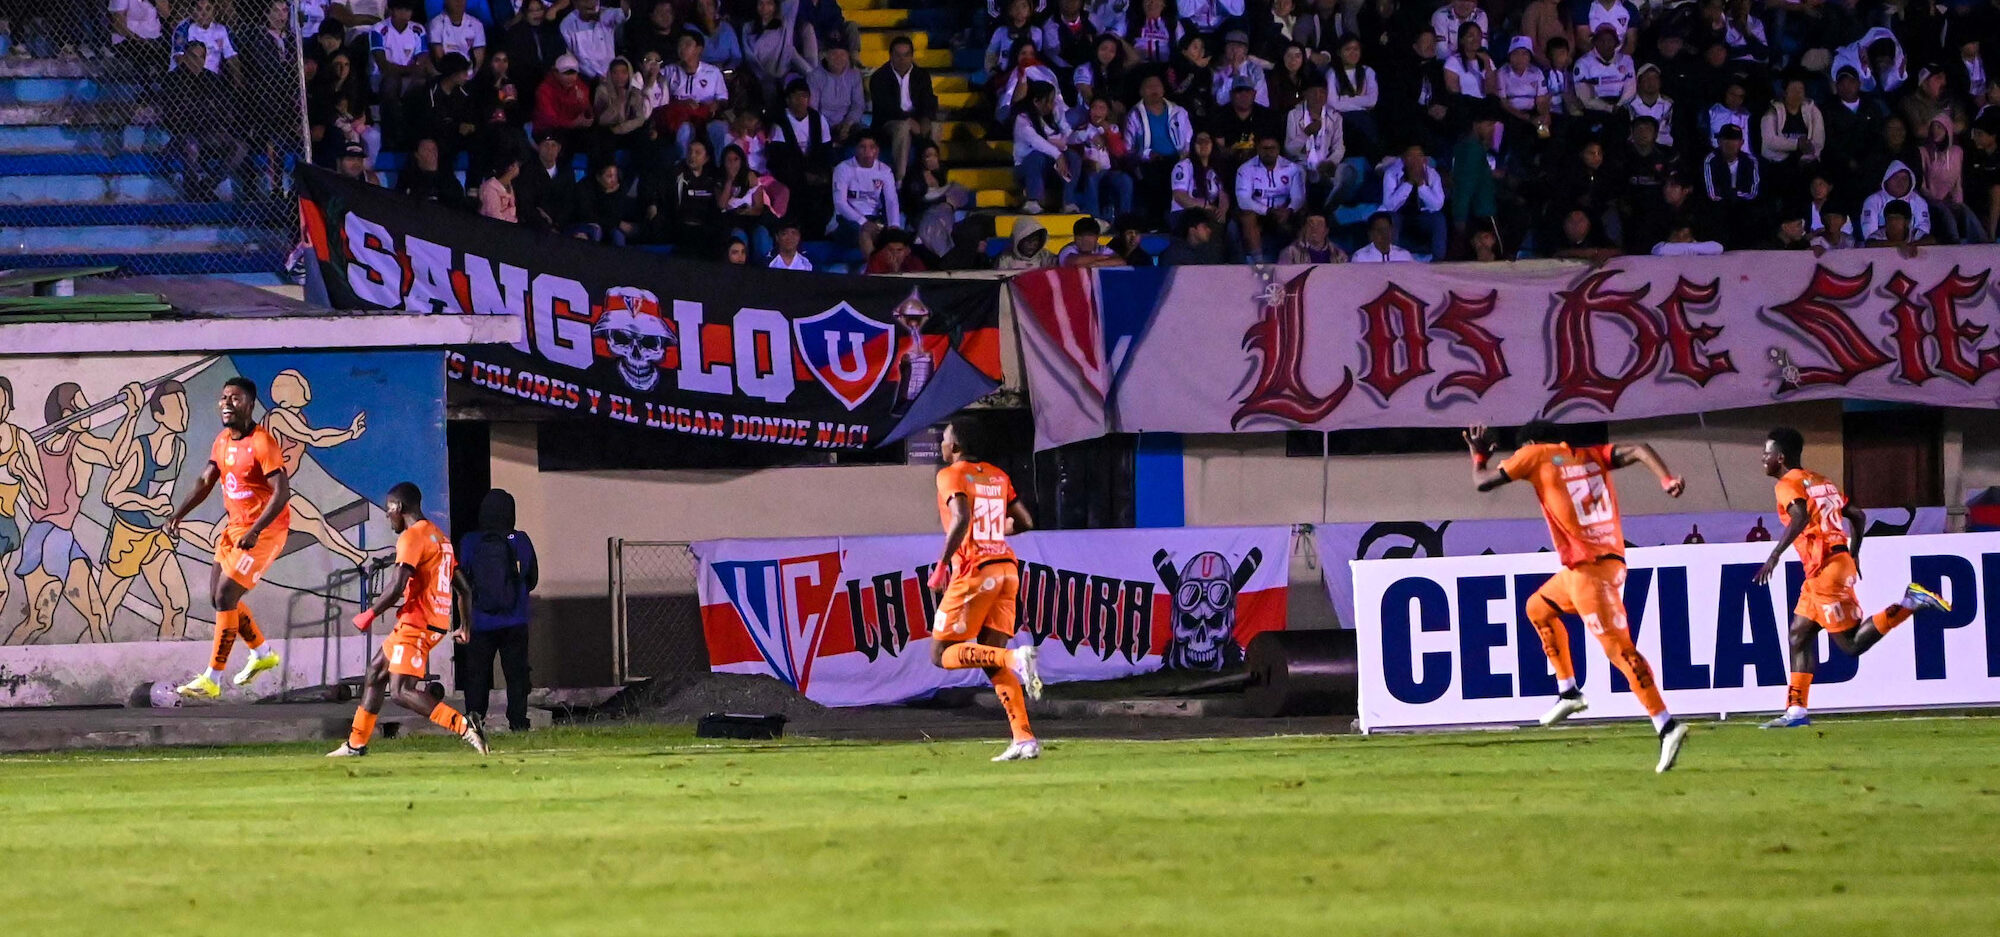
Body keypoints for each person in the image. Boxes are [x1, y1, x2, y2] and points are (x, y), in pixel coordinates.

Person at [1463, 419, 1691, 772]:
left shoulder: (1535, 453)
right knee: (1537, 607)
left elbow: (1482, 484)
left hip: (1590, 571)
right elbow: (1640, 449)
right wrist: (1665, 478)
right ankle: (1569, 692)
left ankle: (1667, 725)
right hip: (1593, 566)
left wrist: (1479, 458)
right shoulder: (1588, 455)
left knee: (1620, 651)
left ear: (1533, 442)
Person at [1751, 428, 1951, 729]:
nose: (1763, 458)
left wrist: (1774, 555)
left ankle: (1910, 602)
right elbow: (1857, 516)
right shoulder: (1821, 480)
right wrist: (1853, 553)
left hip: (1825, 570)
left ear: (1780, 458)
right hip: (1829, 566)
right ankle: (1796, 712)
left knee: (1851, 645)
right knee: (1799, 634)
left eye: (1766, 453)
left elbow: (1801, 516)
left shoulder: (1787, 484)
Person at [331, 482, 487, 756]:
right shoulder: (440, 538)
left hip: (418, 622)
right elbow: (464, 588)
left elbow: (396, 586)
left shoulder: (412, 537)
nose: (386, 515)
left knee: (401, 690)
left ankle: (464, 726)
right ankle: (356, 744)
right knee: (375, 673)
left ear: (399, 507)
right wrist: (464, 626)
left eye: (388, 509)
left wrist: (369, 614)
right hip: (430, 621)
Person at [163, 378, 290, 699]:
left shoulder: (263, 443)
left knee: (225, 596)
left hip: (265, 531)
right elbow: (206, 479)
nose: (227, 403)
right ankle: (262, 654)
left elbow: (282, 492)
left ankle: (213, 677)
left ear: (250, 404)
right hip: (235, 529)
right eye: (223, 398)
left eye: (235, 398)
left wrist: (256, 530)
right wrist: (179, 513)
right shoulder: (222, 441)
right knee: (219, 599)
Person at [927, 418, 1043, 762]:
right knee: (991, 660)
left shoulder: (951, 474)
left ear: (956, 446)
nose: (941, 445)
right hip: (1007, 570)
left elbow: (960, 517)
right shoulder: (997, 475)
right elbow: (1024, 521)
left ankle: (1016, 657)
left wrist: (942, 565)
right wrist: (992, 531)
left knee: (941, 654)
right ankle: (1024, 738)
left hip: (975, 571)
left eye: (945, 438)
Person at [5, 383, 138, 646]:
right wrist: (132, 413)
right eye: (83, 404)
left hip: (57, 537)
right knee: (41, 620)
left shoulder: (40, 447)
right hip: (50, 540)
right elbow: (115, 456)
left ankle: (109, 675)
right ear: (68, 414)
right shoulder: (77, 444)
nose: (89, 411)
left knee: (93, 616)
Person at [457, 488, 536, 733]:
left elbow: (462, 580)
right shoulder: (521, 540)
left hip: (480, 622)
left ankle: (475, 722)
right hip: (515, 620)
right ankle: (518, 722)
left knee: (477, 675)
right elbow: (532, 578)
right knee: (516, 674)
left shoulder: (470, 542)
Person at [869, 36, 938, 181]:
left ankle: (931, 176)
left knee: (936, 127)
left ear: (912, 56)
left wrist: (925, 119)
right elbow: (885, 108)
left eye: (906, 55)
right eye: (898, 55)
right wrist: (908, 120)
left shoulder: (922, 75)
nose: (902, 59)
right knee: (902, 127)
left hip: (916, 119)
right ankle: (901, 178)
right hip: (889, 122)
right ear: (891, 56)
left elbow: (928, 100)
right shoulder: (879, 77)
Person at [1235, 133, 1305, 260]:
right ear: (1258, 149)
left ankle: (1302, 258)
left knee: (1304, 212)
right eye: (1265, 148)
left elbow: (1298, 197)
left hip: (1284, 210)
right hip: (1260, 212)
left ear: (1278, 149)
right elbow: (1243, 200)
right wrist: (1267, 210)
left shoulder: (1291, 168)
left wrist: (1289, 210)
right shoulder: (1245, 169)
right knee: (1246, 215)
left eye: (1272, 148)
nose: (1269, 152)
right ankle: (1259, 263)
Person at [832, 134, 901, 258]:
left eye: (872, 147)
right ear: (856, 149)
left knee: (896, 238)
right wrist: (863, 222)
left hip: (875, 217)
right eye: (863, 147)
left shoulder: (884, 170)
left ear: (877, 150)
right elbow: (840, 203)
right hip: (848, 220)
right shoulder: (843, 168)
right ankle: (873, 272)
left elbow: (892, 200)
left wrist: (894, 226)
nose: (867, 152)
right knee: (865, 233)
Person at [1379, 143, 1446, 259]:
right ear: (1403, 159)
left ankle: (1438, 262)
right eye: (1411, 156)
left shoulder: (1432, 174)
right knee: (1391, 219)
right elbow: (1389, 205)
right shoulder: (1391, 173)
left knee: (1439, 219)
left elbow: (1438, 205)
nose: (1415, 160)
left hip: (1422, 216)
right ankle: (1392, 260)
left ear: (1424, 159)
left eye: (1419, 156)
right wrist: (1408, 183)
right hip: (1399, 215)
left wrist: (1421, 185)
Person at [1276, 211, 1346, 263]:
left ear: (1326, 230)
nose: (1315, 228)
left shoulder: (1339, 254)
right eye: (1310, 224)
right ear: (1304, 229)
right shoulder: (1290, 252)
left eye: (1319, 224)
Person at [1351, 211, 1416, 262]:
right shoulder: (1360, 257)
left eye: (1387, 229)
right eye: (1379, 230)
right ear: (1370, 234)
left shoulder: (1404, 255)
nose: (1385, 234)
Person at [1057, 216, 1121, 267]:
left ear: (1097, 237)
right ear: (1075, 238)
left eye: (1089, 236)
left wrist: (1096, 264)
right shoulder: (1068, 249)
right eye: (1080, 237)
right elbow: (1075, 262)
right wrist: (1106, 258)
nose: (1085, 241)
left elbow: (1121, 262)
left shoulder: (1102, 249)